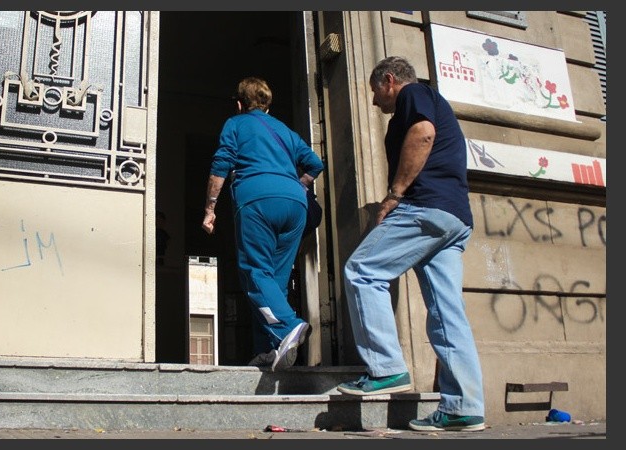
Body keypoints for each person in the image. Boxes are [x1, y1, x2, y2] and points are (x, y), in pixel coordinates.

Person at [336, 56, 486, 432]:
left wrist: (394, 195)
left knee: (362, 270)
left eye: (375, 92)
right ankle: (463, 407)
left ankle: (386, 368)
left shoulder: (415, 94)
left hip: (425, 208)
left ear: (389, 81)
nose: (375, 102)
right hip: (454, 218)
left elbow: (423, 133)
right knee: (446, 312)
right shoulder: (432, 100)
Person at [202, 76, 324, 372]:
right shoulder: (285, 131)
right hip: (296, 204)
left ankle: (288, 326)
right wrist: (298, 184)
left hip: (257, 199)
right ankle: (268, 352)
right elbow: (315, 164)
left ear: (240, 103)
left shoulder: (237, 123)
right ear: (268, 106)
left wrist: (210, 208)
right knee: (274, 282)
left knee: (255, 271)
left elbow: (221, 164)